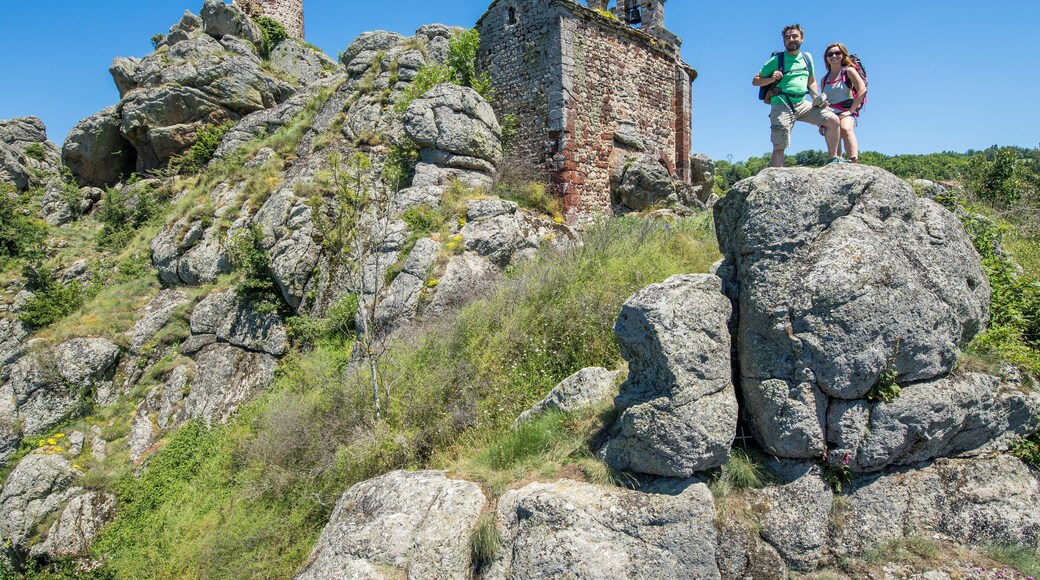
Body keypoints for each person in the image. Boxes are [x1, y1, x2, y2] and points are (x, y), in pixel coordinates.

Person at [753, 24, 841, 167]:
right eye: (787, 37)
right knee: (780, 144)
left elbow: (811, 81)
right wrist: (771, 79)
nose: (791, 39)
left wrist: (815, 99)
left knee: (833, 120)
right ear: (783, 41)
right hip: (782, 103)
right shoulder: (777, 60)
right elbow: (755, 81)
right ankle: (775, 177)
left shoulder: (807, 58)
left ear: (802, 38)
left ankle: (833, 159)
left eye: (794, 36)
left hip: (802, 102)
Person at [820, 43, 867, 163]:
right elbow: (823, 102)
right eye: (830, 54)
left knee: (845, 129)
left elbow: (862, 89)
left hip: (846, 109)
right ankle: (836, 160)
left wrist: (851, 110)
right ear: (826, 57)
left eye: (837, 53)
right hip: (830, 112)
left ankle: (853, 160)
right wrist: (821, 122)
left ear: (843, 56)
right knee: (833, 135)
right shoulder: (824, 80)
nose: (834, 56)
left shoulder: (848, 71)